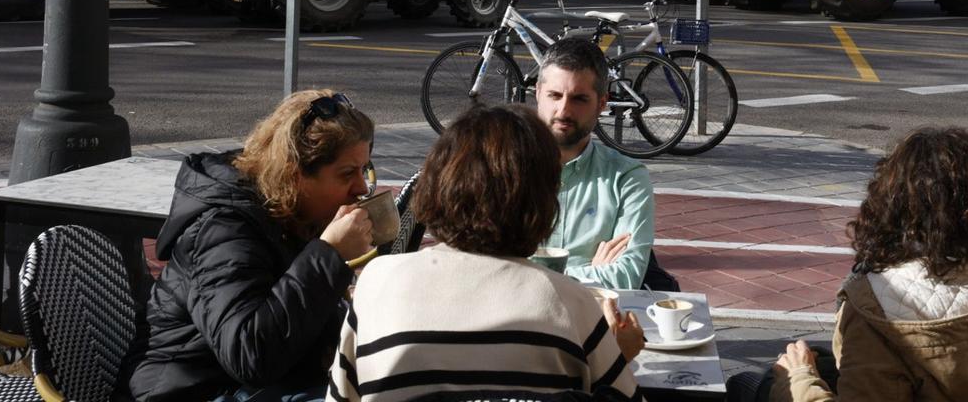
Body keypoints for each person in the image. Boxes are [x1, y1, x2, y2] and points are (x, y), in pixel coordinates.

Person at [329, 104, 644, 402]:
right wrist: (619, 355)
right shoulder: (571, 303)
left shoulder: (377, 283)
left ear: (438, 184)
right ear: (544, 201)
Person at [761, 126, 968, 402]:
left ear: (893, 207)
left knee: (767, 381)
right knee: (822, 362)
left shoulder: (874, 308)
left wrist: (799, 378)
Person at [128, 90, 377, 402]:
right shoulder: (224, 229)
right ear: (294, 175)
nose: (361, 188)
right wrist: (329, 255)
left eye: (364, 170)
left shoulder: (301, 217)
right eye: (347, 174)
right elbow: (251, 355)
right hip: (190, 392)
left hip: (265, 387)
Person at [535, 38, 655, 290]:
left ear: (602, 103)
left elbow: (626, 276)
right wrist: (592, 273)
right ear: (537, 93)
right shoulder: (501, 168)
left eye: (579, 99)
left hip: (591, 315)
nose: (563, 110)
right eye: (554, 95)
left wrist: (527, 274)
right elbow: (484, 265)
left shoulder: (627, 177)